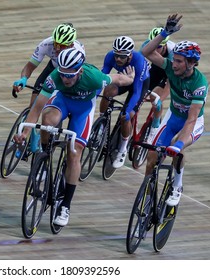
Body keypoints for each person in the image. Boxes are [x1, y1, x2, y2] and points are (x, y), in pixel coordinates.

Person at [14, 48, 135, 226]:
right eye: (62, 74)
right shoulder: (55, 77)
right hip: (63, 101)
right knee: (47, 119)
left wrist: (130, 79)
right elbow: (37, 108)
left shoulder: (93, 77)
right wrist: (25, 133)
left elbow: (117, 78)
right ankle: (45, 155)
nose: (65, 79)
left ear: (80, 70)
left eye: (69, 76)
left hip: (83, 109)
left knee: (74, 153)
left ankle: (65, 205)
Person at [141, 13, 208, 206]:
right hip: (173, 117)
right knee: (153, 156)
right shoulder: (171, 68)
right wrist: (164, 33)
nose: (174, 63)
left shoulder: (199, 84)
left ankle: (177, 185)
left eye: (179, 61)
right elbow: (147, 52)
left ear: (191, 63)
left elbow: (192, 119)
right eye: (174, 59)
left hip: (191, 123)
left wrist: (177, 146)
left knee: (177, 148)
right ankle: (146, 198)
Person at [12, 23, 85, 154]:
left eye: (61, 46)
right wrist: (23, 79)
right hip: (52, 69)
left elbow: (75, 78)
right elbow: (29, 66)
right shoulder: (46, 44)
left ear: (70, 45)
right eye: (56, 43)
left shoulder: (78, 52)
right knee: (34, 104)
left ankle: (46, 138)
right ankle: (31, 137)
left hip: (66, 76)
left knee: (52, 103)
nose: (56, 48)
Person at [99, 36, 150, 168]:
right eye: (116, 55)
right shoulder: (110, 56)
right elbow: (102, 78)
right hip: (125, 79)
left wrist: (127, 112)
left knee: (127, 116)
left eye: (122, 57)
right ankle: (101, 123)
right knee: (108, 91)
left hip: (140, 84)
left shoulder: (138, 61)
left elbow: (137, 92)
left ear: (130, 55)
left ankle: (122, 149)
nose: (118, 59)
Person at [140, 27, 176, 142]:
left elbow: (170, 84)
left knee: (155, 97)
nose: (155, 49)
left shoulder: (173, 55)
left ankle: (155, 127)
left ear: (165, 45)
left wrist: (160, 99)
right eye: (153, 45)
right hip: (156, 66)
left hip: (168, 72)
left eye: (158, 47)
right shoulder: (147, 45)